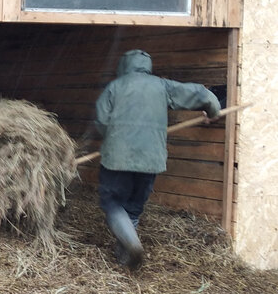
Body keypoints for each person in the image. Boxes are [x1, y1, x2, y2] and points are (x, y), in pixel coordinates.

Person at [94, 49, 221, 269]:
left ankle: (132, 244)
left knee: (112, 202)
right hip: (151, 159)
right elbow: (202, 94)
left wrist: (113, 138)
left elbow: (101, 119)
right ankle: (124, 255)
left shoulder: (115, 87)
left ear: (123, 66)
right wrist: (213, 112)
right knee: (133, 206)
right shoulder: (163, 86)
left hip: (117, 157)